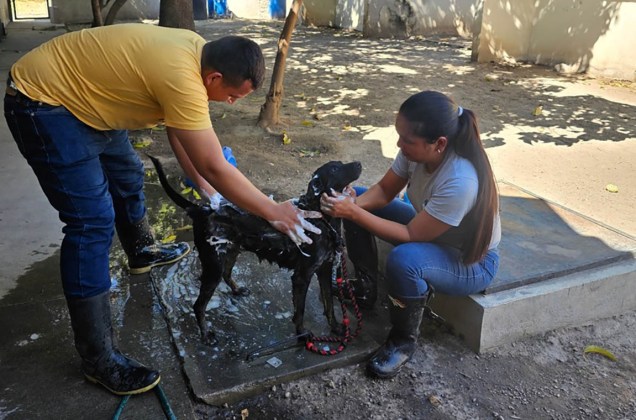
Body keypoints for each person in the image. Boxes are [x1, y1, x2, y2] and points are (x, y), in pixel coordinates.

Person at [3, 23, 320, 395]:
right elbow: (216, 164)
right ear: (214, 77)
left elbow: (179, 129)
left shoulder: (196, 56)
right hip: (45, 103)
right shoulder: (182, 77)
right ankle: (98, 358)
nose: (233, 103)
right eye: (233, 95)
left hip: (85, 98)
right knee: (91, 224)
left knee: (127, 174)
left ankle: (141, 250)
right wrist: (272, 210)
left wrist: (201, 183)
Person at [320, 90, 500, 379]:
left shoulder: (460, 180)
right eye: (399, 135)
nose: (399, 144)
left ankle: (403, 342)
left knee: (404, 260)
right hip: (432, 234)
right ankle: (365, 289)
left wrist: (353, 212)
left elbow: (410, 233)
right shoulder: (416, 153)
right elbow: (383, 191)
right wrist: (352, 204)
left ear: (439, 144)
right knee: (362, 200)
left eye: (407, 140)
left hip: (471, 262)